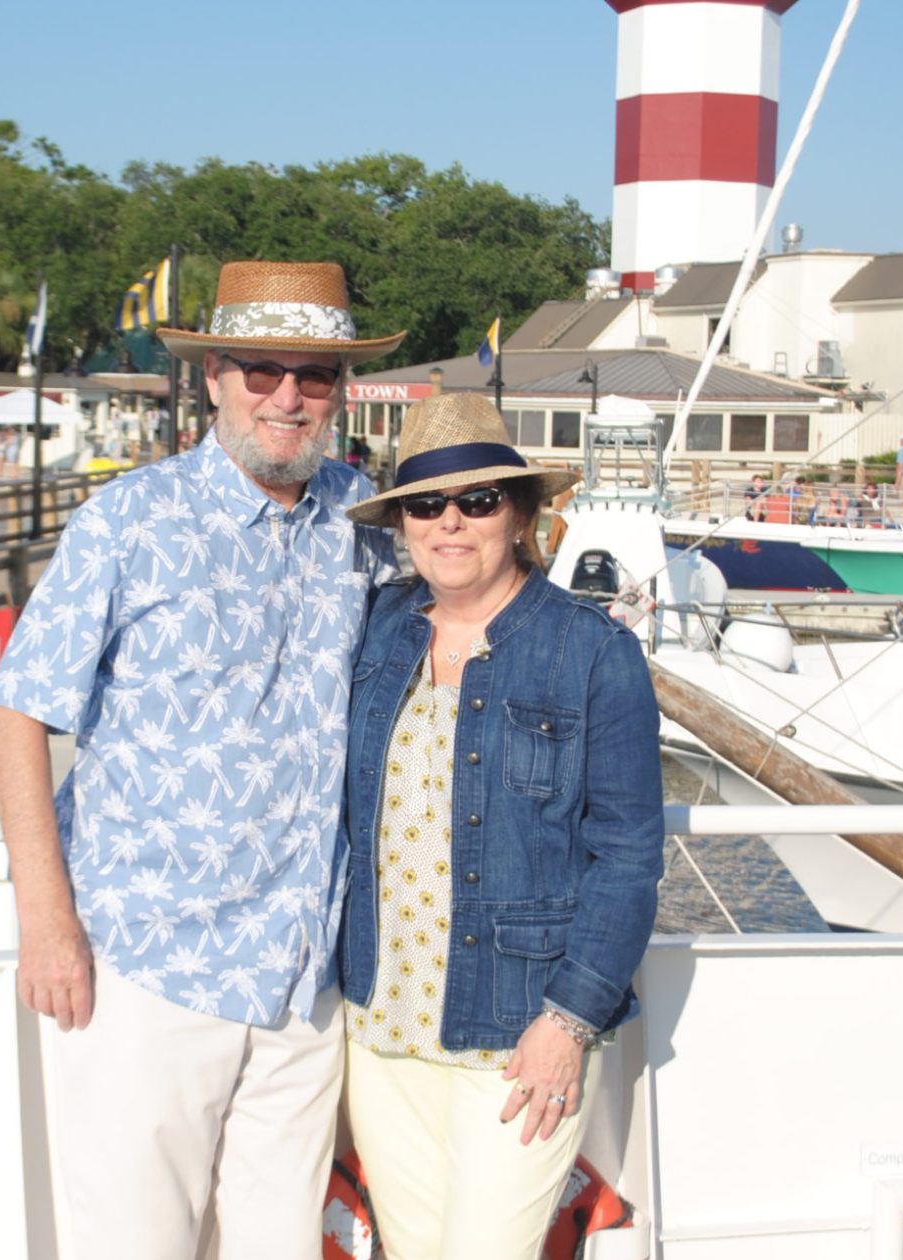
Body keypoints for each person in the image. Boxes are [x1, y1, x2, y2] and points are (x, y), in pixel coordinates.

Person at [0, 260, 405, 1259]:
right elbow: (16, 712)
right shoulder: (130, 519)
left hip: (305, 981)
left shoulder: (364, 517)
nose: (289, 396)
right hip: (145, 968)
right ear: (212, 374)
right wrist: (48, 924)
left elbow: (472, 593)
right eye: (262, 369)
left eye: (315, 375)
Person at [339, 393, 665, 1260]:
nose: (451, 522)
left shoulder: (592, 651)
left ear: (520, 515)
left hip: (521, 1034)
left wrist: (570, 1020)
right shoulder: (375, 631)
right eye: (426, 504)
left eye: (478, 501)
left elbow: (629, 856)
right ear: (402, 522)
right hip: (380, 1025)